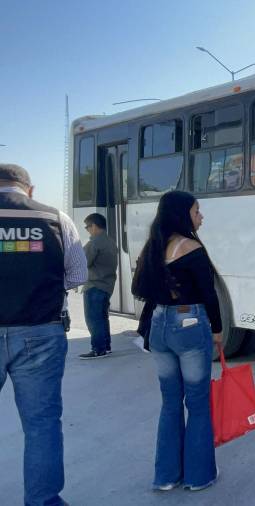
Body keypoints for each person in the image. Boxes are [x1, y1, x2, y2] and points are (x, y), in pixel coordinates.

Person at [0, 163, 87, 506]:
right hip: (39, 332)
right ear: (29, 189)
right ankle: (43, 500)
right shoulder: (55, 218)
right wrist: (40, 286)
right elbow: (77, 274)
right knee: (41, 425)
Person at [131, 190, 222, 492]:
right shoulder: (191, 247)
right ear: (183, 214)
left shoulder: (153, 247)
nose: (201, 216)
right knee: (197, 402)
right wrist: (218, 330)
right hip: (190, 323)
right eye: (197, 211)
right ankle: (198, 477)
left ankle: (166, 477)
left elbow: (140, 288)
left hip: (159, 325)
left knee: (170, 402)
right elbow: (209, 294)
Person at [79, 212, 118, 359]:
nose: (87, 230)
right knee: (102, 318)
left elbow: (83, 262)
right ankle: (105, 347)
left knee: (93, 319)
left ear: (94, 226)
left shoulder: (95, 242)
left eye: (87, 227)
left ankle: (98, 349)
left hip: (94, 285)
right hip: (107, 285)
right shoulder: (110, 241)